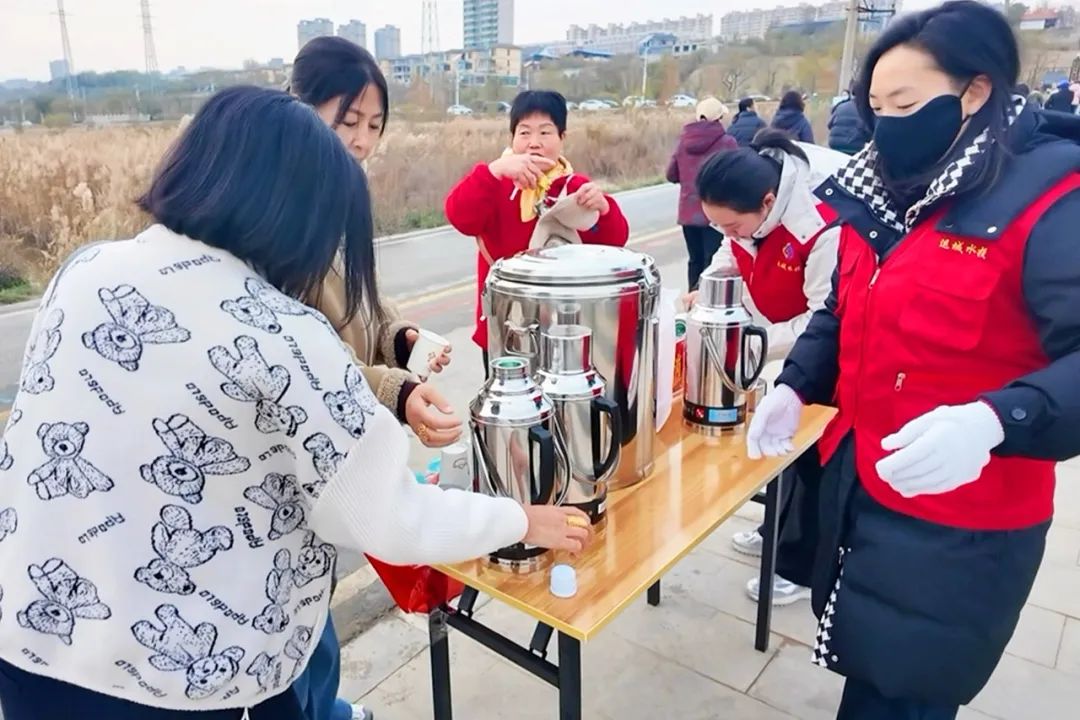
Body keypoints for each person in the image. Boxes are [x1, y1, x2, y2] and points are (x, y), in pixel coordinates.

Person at [0, 86, 591, 720]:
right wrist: (521, 521)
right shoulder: (281, 331)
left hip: (29, 643)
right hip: (183, 684)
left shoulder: (85, 270)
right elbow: (390, 516)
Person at [747, 2, 1080, 717]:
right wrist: (795, 383)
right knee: (869, 668)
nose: (887, 123)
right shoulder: (881, 191)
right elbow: (845, 309)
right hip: (865, 487)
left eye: (905, 104)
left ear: (976, 91)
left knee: (908, 693)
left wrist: (996, 421)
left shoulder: (1050, 197)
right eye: (875, 107)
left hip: (964, 521)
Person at [287, 36, 460, 720]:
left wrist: (400, 339)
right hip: (299, 442)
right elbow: (300, 357)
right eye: (347, 120)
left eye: (374, 124)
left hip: (339, 434)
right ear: (300, 107)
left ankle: (322, 707)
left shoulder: (340, 192)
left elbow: (359, 298)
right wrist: (398, 389)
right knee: (293, 600)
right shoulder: (278, 212)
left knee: (313, 588)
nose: (361, 140)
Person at [685, 130, 848, 606]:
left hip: (829, 352)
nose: (727, 233)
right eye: (718, 225)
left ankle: (799, 566)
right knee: (778, 442)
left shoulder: (820, 225)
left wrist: (749, 342)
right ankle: (775, 530)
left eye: (733, 224)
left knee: (812, 455)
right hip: (780, 343)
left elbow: (824, 319)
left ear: (769, 203)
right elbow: (728, 255)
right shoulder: (744, 215)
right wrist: (706, 293)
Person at [444, 90, 630, 367]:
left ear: (562, 138)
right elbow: (459, 216)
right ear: (512, 138)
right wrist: (493, 171)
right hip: (504, 325)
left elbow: (614, 243)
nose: (534, 143)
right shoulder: (494, 183)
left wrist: (603, 209)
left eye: (545, 132)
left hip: (565, 327)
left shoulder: (574, 188)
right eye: (524, 133)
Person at [666, 97, 738, 290]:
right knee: (712, 261)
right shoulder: (727, 143)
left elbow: (671, 174)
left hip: (688, 212)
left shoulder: (683, 142)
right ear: (719, 117)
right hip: (716, 212)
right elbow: (737, 176)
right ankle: (706, 299)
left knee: (694, 259)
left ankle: (692, 298)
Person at [827, 89, 871, 155]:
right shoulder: (864, 109)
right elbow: (868, 130)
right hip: (854, 147)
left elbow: (829, 125)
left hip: (835, 145)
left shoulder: (840, 106)